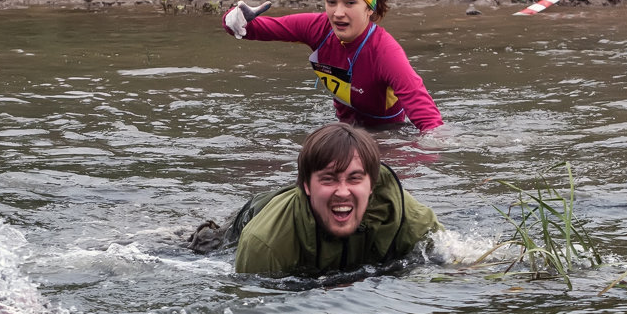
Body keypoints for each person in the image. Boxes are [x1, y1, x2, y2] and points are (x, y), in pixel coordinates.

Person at [223, 0, 444, 133]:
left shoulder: (386, 53)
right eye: (331, 2)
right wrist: (234, 19)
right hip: (342, 132)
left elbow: (429, 120)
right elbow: (249, 29)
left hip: (386, 135)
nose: (338, 13)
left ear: (370, 8)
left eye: (350, 2)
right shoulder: (317, 28)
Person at [189, 122, 442, 277]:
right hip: (254, 217)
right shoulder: (265, 243)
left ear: (372, 185)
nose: (343, 191)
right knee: (207, 243)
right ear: (307, 186)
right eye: (329, 179)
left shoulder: (403, 215)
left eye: (354, 179)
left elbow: (453, 259)